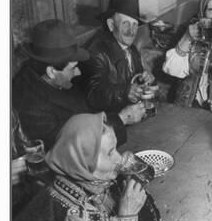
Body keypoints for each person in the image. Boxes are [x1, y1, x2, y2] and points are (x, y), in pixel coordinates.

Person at [12, 113, 163, 221]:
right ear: (83, 162)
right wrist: (127, 218)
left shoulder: (91, 181)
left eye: (116, 148)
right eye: (110, 153)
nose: (119, 158)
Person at [12, 19, 145, 151]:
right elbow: (71, 149)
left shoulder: (52, 77)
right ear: (51, 71)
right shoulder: (30, 105)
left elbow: (91, 104)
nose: (78, 72)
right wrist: (121, 119)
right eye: (73, 68)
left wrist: (126, 93)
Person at [79, 0, 154, 113]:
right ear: (111, 25)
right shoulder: (96, 51)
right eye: (125, 23)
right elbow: (93, 94)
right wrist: (125, 92)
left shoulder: (131, 48)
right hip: (107, 120)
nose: (131, 31)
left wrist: (145, 79)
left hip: (130, 113)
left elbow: (132, 81)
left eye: (134, 24)